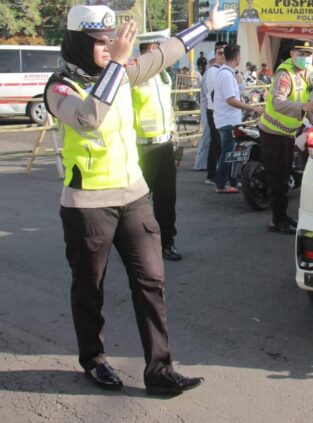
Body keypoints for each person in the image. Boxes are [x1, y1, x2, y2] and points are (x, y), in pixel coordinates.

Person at [43, 2, 235, 395]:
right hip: (87, 206)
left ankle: (160, 370)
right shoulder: (60, 86)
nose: (108, 48)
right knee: (89, 288)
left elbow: (164, 53)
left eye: (111, 41)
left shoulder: (121, 72)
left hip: (134, 197)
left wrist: (206, 26)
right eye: (99, 42)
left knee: (151, 281)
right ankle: (94, 360)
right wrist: (116, 66)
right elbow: (87, 118)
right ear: (80, 42)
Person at [258, 39, 313, 234]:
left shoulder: (310, 71)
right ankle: (277, 221)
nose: (305, 58)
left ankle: (282, 216)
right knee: (278, 178)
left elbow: (310, 100)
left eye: (309, 54)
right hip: (273, 132)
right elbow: (278, 103)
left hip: (288, 132)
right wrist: (303, 107)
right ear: (293, 54)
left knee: (285, 174)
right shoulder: (285, 74)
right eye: (301, 54)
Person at [132, 29, 182, 261]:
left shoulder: (164, 76)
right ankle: (136, 245)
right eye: (161, 48)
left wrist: (174, 136)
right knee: (138, 202)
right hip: (141, 148)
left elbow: (167, 108)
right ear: (152, 49)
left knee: (166, 199)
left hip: (164, 145)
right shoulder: (134, 75)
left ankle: (166, 242)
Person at [213, 44, 263, 193]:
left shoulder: (229, 73)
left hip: (229, 119)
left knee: (231, 153)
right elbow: (231, 100)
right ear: (237, 57)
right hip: (227, 120)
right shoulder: (226, 75)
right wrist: (253, 108)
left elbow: (242, 87)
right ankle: (222, 184)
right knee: (228, 153)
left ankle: (231, 182)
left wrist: (236, 71)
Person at [203, 41, 228, 185]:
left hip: (224, 111)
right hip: (215, 111)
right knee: (217, 143)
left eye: (225, 53)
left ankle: (220, 174)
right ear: (215, 54)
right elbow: (216, 93)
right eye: (220, 53)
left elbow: (241, 84)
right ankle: (212, 175)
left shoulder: (227, 70)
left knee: (222, 144)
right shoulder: (213, 71)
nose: (223, 56)